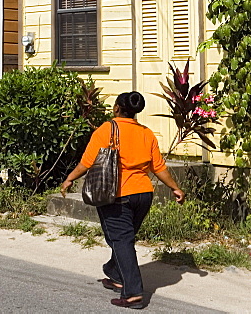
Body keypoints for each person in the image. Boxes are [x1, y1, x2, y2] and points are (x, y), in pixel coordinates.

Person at [61, 91, 184, 309]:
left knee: (121, 241)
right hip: (144, 195)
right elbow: (159, 167)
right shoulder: (147, 133)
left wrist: (69, 179)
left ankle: (133, 293)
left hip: (117, 195)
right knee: (124, 239)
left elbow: (87, 162)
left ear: (117, 107)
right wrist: (175, 188)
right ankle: (115, 273)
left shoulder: (106, 130)